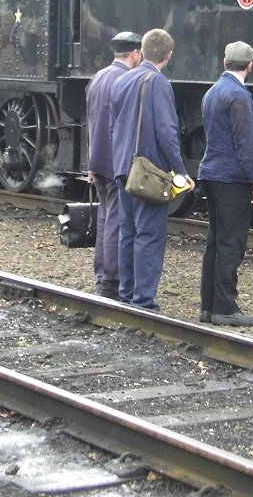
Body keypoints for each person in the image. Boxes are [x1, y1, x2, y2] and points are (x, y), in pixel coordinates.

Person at [110, 28, 194, 310]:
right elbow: (167, 133)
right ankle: (143, 300)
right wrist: (180, 171)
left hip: (122, 166)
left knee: (128, 231)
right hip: (148, 170)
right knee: (149, 233)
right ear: (169, 56)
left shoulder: (121, 80)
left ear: (142, 51)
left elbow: (113, 127)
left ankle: (127, 292)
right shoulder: (158, 83)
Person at [197, 41, 253, 327]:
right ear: (249, 66)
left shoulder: (213, 92)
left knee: (215, 241)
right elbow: (245, 144)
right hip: (232, 179)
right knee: (231, 243)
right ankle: (225, 307)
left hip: (212, 174)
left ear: (225, 62)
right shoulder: (238, 96)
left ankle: (208, 305)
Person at [85, 31, 143, 300]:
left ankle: (102, 276)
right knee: (115, 222)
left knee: (104, 218)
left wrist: (89, 163)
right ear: (135, 53)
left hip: (97, 159)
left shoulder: (98, 77)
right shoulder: (126, 80)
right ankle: (111, 280)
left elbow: (91, 122)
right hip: (115, 161)